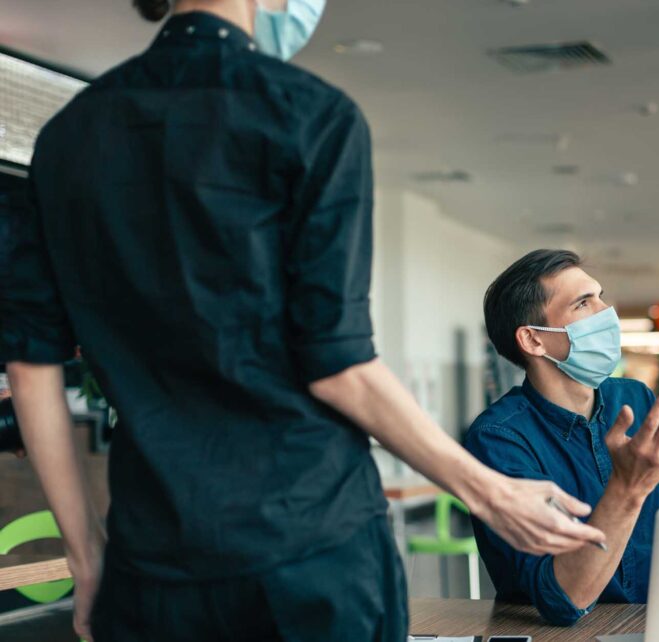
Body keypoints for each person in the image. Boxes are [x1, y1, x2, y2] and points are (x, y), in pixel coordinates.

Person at [0, 2, 605, 640]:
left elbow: (32, 361)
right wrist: (489, 492)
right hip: (308, 551)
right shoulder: (307, 113)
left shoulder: (70, 135)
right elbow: (338, 367)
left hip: (155, 560)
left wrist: (89, 558)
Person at [464, 249, 659, 626]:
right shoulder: (499, 439)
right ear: (533, 340)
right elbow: (564, 596)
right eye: (584, 303)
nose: (606, 312)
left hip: (655, 623)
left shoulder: (635, 399)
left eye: (600, 296)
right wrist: (627, 488)